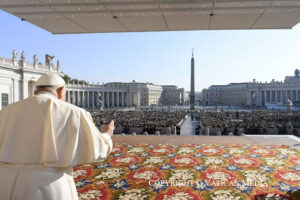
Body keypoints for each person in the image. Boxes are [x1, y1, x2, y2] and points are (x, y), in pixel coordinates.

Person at [0, 73, 114, 200]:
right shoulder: (74, 112)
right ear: (61, 91)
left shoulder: (6, 112)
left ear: (36, 90)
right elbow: (98, 148)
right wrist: (107, 135)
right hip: (49, 186)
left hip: (5, 183)